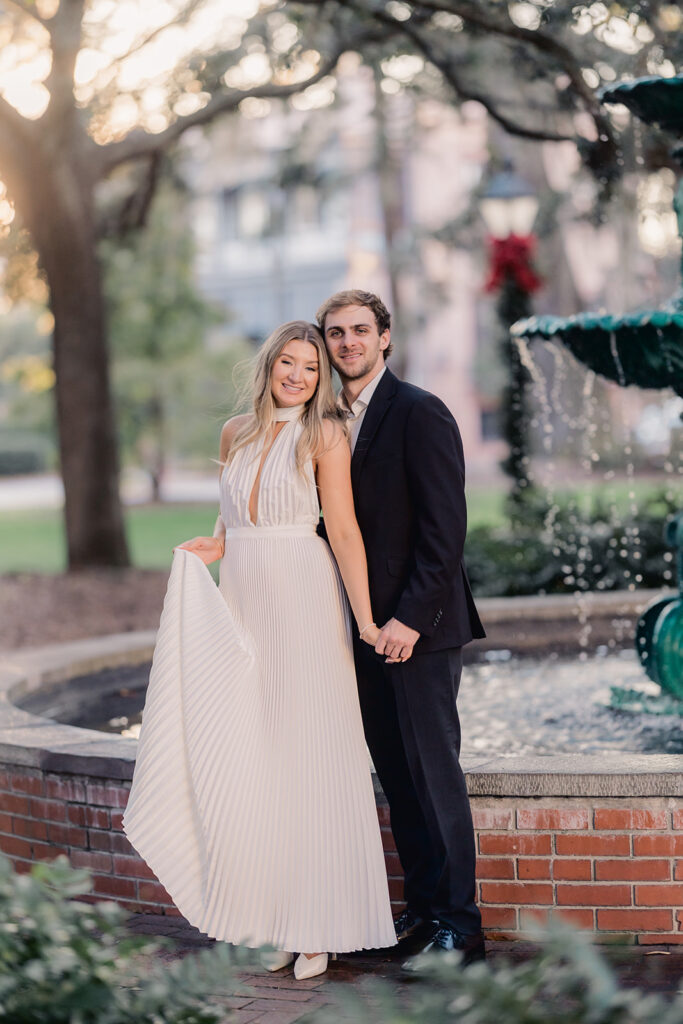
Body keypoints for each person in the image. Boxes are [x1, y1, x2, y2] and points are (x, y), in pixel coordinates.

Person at [123, 320, 396, 981]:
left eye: (310, 365)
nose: (298, 375)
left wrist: (364, 619)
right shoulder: (233, 432)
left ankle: (317, 927)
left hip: (303, 600)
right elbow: (233, 513)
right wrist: (214, 544)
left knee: (309, 758)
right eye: (288, 363)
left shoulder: (325, 434)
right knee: (257, 757)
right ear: (269, 365)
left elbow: (346, 532)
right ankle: (276, 916)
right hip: (244, 597)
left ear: (319, 375)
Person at [316, 289, 487, 969]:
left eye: (360, 330)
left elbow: (444, 533)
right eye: (336, 333)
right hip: (358, 632)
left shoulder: (419, 411)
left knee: (433, 776)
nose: (348, 343)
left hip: (420, 630)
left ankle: (461, 929)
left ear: (385, 338)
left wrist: (407, 620)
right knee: (396, 777)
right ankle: (421, 911)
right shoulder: (324, 421)